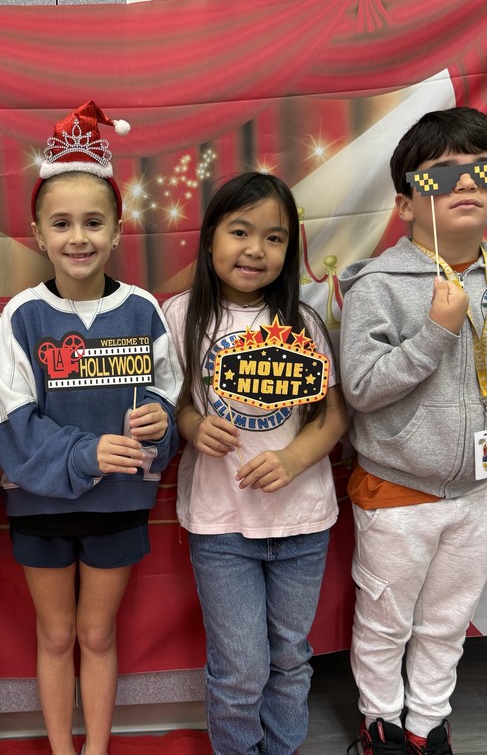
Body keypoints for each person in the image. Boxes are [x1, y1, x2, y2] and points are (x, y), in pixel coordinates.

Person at [339, 107, 487, 755]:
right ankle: (381, 724)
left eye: (483, 170)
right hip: (397, 492)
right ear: (406, 203)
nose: (467, 183)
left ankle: (427, 725)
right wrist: (435, 332)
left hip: (480, 493)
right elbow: (361, 388)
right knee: (385, 621)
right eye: (444, 174)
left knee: (448, 621)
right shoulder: (377, 286)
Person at [0, 101, 182, 755]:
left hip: (119, 503)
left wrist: (159, 423)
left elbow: (167, 399)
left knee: (97, 635)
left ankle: (96, 749)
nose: (79, 237)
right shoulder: (21, 317)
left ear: (117, 231)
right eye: (62, 223)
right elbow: (11, 423)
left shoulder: (143, 310)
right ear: (38, 234)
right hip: (39, 504)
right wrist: (86, 452)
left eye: (93, 222)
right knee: (55, 634)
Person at [162, 172, 348, 755]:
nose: (256, 250)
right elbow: (168, 404)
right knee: (240, 668)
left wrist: (292, 458)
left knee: (290, 657)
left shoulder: (303, 322)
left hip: (303, 522)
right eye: (239, 232)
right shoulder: (179, 316)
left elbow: (334, 417)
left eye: (274, 237)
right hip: (221, 525)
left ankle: (283, 748)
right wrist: (193, 425)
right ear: (209, 239)